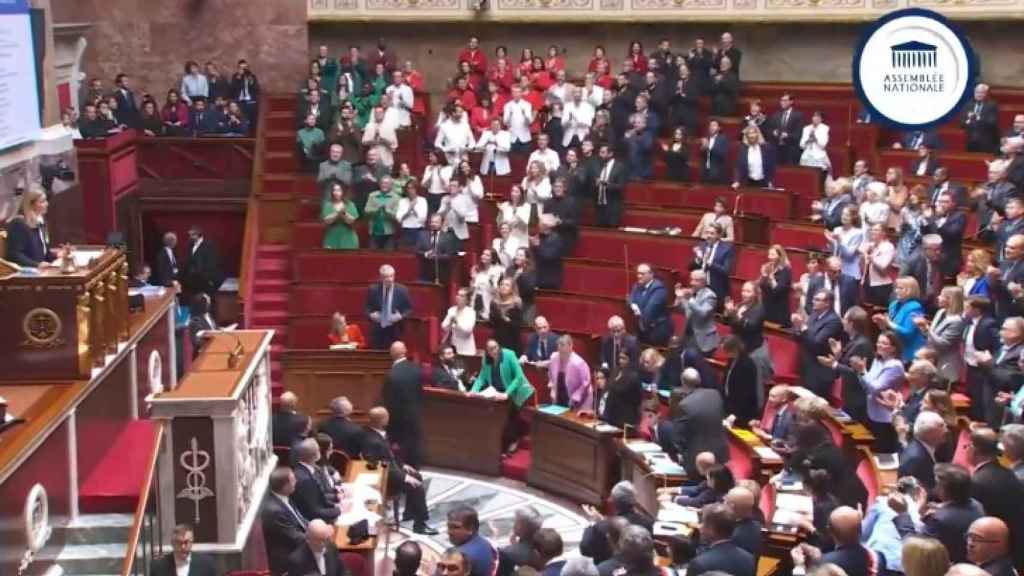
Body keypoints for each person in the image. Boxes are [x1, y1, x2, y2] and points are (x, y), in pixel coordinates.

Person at [360, 407, 434, 534]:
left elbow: (388, 456)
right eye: (386, 417)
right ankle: (420, 525)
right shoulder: (372, 440)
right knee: (417, 486)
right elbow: (380, 465)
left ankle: (409, 514)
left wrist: (402, 465)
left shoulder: (373, 433)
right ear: (382, 420)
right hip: (384, 479)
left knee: (417, 476)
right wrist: (404, 477)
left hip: (392, 470)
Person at [966, 427, 1024, 563]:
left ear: (973, 450)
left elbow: (974, 521)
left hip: (994, 551)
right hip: (1014, 546)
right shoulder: (1008, 473)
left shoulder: (977, 482)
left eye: (966, 446)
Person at [471, 339, 535, 452]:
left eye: (495, 347)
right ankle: (501, 444)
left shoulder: (509, 355)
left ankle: (513, 442)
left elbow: (519, 377)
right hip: (499, 392)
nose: (494, 351)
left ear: (499, 347)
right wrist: (473, 391)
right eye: (490, 349)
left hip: (517, 390)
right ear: (487, 351)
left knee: (512, 417)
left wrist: (507, 393)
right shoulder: (486, 359)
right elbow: (481, 377)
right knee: (499, 417)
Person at [665, 370, 730, 475]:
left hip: (697, 461)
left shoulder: (685, 405)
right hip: (720, 455)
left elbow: (677, 437)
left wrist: (681, 455)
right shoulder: (715, 394)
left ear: (683, 383)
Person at [724, 280, 772, 402]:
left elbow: (750, 326)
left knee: (750, 384)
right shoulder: (740, 305)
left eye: (748, 291)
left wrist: (734, 314)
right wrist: (728, 313)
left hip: (752, 351)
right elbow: (730, 323)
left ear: (755, 294)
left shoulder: (759, 308)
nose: (744, 294)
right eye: (743, 290)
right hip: (737, 349)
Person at [791, 507, 874, 576]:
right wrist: (821, 557)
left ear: (830, 531)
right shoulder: (873, 557)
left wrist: (799, 567)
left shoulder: (823, 566)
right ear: (861, 530)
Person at [794, 290, 845, 398]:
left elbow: (817, 343)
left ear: (827, 303)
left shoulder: (834, 321)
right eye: (814, 299)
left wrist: (803, 327)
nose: (813, 302)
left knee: (814, 404)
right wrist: (798, 328)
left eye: (817, 300)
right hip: (807, 367)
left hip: (820, 372)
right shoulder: (814, 315)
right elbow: (801, 337)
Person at [380, 341, 423, 467]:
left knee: (400, 450)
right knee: (413, 446)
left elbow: (388, 400)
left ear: (392, 353)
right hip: (415, 413)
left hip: (398, 418)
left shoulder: (391, 375)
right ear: (405, 351)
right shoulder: (416, 368)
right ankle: (415, 469)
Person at [914, 286, 965, 386]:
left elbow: (943, 344)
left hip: (946, 364)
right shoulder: (940, 312)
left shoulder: (956, 321)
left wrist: (927, 328)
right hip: (932, 360)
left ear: (950, 300)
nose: (938, 297)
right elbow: (931, 336)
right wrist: (923, 328)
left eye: (942, 295)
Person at [262, 467, 308, 576]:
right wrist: (316, 535)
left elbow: (300, 519)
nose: (296, 481)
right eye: (293, 480)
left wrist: (315, 526)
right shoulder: (274, 511)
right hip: (288, 561)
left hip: (298, 548)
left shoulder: (284, 497)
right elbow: (294, 537)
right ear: (285, 486)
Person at [687, 503, 755, 576]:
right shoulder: (749, 558)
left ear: (711, 530)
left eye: (703, 523)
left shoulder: (699, 564)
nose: (700, 527)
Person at [4, 186, 62, 267]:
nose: (47, 204)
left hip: (39, 269)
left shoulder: (40, 221)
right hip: (25, 271)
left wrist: (57, 256)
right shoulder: (18, 223)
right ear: (31, 204)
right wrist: (37, 265)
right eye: (42, 202)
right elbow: (15, 254)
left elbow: (43, 253)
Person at [872, 276, 926, 362]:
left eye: (900, 288)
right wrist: (882, 325)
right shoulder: (893, 305)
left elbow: (908, 333)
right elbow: (889, 331)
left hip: (910, 352)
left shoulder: (915, 307)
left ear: (910, 290)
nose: (896, 291)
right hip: (894, 350)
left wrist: (889, 323)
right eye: (896, 288)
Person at [291, 438, 340, 523]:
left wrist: (337, 503)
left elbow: (320, 497)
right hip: (314, 522)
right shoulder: (305, 480)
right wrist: (339, 510)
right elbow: (314, 512)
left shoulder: (304, 469)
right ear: (316, 455)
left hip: (322, 512)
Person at [896, 411, 948, 492]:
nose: (946, 430)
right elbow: (919, 492)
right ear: (929, 434)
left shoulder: (922, 446)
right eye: (941, 426)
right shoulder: (917, 459)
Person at [627, 263, 671, 346]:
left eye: (642, 274)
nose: (639, 276)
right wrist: (633, 306)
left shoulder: (659, 289)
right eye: (638, 273)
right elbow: (630, 299)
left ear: (651, 274)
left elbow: (649, 311)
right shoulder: (637, 286)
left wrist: (638, 311)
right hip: (642, 330)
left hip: (657, 331)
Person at [720, 335, 760, 424]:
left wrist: (736, 414)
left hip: (743, 411)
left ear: (734, 349)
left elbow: (746, 393)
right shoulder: (731, 360)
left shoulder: (747, 365)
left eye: (726, 351)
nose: (725, 353)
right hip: (730, 405)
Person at [447, 506, 497, 576]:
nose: (449, 532)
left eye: (455, 527)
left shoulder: (460, 556)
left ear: (471, 528)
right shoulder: (485, 543)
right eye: (448, 526)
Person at [547, 335, 592, 410]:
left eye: (562, 345)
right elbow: (551, 375)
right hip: (560, 395)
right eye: (558, 345)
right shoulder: (554, 358)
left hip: (579, 400)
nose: (559, 348)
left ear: (570, 346)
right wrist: (553, 389)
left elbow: (586, 382)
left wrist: (575, 397)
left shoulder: (578, 363)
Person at [152, 524, 216, 576]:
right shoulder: (158, 566)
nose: (183, 547)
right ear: (172, 543)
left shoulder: (206, 564)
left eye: (186, 542)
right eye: (179, 542)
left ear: (192, 542)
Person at [498, 506, 542, 576]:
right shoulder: (541, 546)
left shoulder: (507, 552)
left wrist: (514, 547)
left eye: (516, 521)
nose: (514, 524)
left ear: (520, 527)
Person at [860, 223, 896, 306]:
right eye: (872, 230)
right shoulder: (871, 245)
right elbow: (860, 250)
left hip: (881, 285)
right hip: (868, 283)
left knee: (879, 309)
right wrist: (865, 252)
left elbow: (883, 267)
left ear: (883, 233)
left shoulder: (888, 247)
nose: (872, 232)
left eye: (876, 230)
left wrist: (871, 258)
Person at [594, 144, 627, 227]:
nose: (600, 155)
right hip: (599, 206)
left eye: (603, 152)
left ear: (610, 154)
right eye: (600, 152)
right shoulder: (598, 165)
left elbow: (621, 186)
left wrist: (606, 184)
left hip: (612, 207)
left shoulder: (619, 167)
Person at [760, 244, 793, 327]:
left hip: (779, 311)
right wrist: (764, 276)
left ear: (780, 256)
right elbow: (761, 286)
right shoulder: (768, 267)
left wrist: (772, 279)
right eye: (769, 254)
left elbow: (779, 290)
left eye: (772, 255)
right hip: (767, 307)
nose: (769, 257)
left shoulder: (785, 270)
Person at [961, 84, 1000, 154]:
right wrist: (968, 120)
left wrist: (978, 117)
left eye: (981, 92)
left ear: (986, 94)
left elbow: (992, 123)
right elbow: (962, 123)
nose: (979, 95)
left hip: (986, 141)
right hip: (971, 140)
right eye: (977, 92)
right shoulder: (968, 105)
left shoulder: (992, 105)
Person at [490, 278, 524, 356]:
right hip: (498, 337)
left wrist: (506, 319)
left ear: (512, 289)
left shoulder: (517, 302)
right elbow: (492, 321)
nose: (503, 287)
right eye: (501, 284)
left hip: (512, 339)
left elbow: (518, 324)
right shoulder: (494, 302)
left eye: (507, 285)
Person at [530, 214, 565, 290]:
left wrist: (537, 246)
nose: (538, 225)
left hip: (549, 280)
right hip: (539, 277)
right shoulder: (540, 236)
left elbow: (548, 256)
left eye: (539, 223)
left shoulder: (556, 239)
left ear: (546, 226)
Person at [442, 288, 477, 356]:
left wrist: (457, 323)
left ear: (467, 300)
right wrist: (450, 323)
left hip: (467, 349)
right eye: (458, 295)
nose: (458, 297)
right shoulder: (451, 310)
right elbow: (444, 327)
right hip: (454, 347)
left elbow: (467, 331)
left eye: (462, 296)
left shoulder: (471, 312)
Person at [700, 119, 730, 184]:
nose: (711, 127)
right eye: (710, 125)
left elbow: (722, 155)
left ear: (719, 128)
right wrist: (703, 148)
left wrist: (709, 147)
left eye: (714, 125)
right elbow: (702, 156)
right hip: (705, 173)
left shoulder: (723, 139)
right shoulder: (706, 138)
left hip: (717, 174)